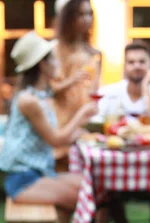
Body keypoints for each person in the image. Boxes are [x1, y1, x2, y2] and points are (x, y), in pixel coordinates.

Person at [0, 31, 98, 223]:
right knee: (90, 197)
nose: (56, 61)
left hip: (40, 173)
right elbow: (55, 140)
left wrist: (80, 131)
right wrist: (82, 115)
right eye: (51, 57)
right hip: (24, 180)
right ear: (42, 65)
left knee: (92, 184)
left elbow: (54, 133)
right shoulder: (29, 100)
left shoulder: (40, 95)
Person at [93, 41, 150, 223]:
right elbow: (98, 125)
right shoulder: (110, 92)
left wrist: (146, 88)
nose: (137, 66)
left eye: (142, 61)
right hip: (117, 166)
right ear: (125, 67)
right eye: (131, 62)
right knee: (102, 191)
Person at [51, 0, 101, 172]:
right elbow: (50, 90)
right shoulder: (57, 49)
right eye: (80, 14)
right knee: (63, 172)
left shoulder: (93, 52)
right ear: (69, 18)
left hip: (82, 121)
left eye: (89, 14)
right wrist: (73, 79)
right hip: (62, 122)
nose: (86, 19)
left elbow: (95, 89)